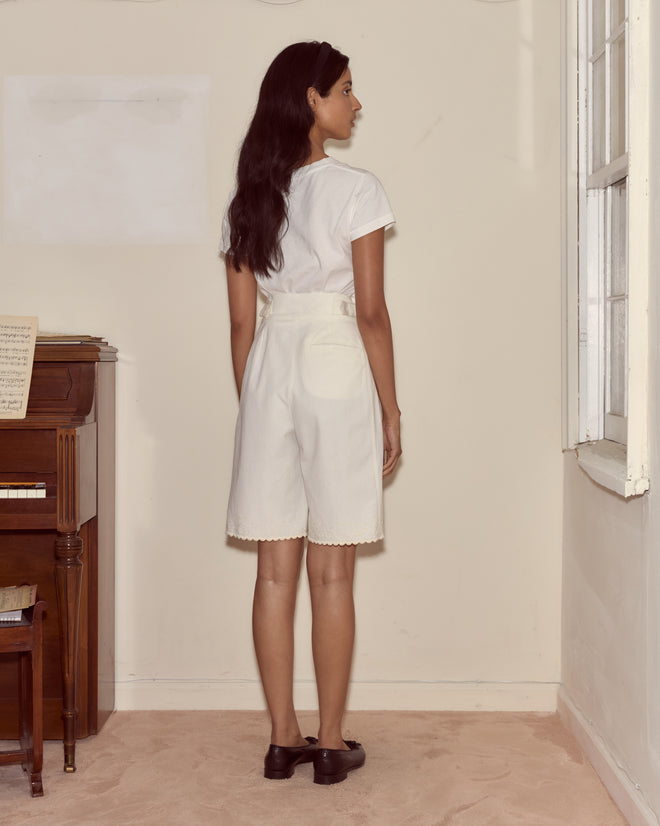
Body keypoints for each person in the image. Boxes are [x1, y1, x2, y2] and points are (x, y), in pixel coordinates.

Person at [221, 40, 401, 785]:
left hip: (270, 365)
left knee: (273, 572)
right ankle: (329, 743)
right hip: (332, 359)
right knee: (332, 572)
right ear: (310, 100)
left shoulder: (248, 200)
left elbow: (240, 326)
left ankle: (280, 739)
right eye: (347, 89)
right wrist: (391, 408)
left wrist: (257, 404)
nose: (357, 102)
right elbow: (370, 312)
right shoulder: (356, 189)